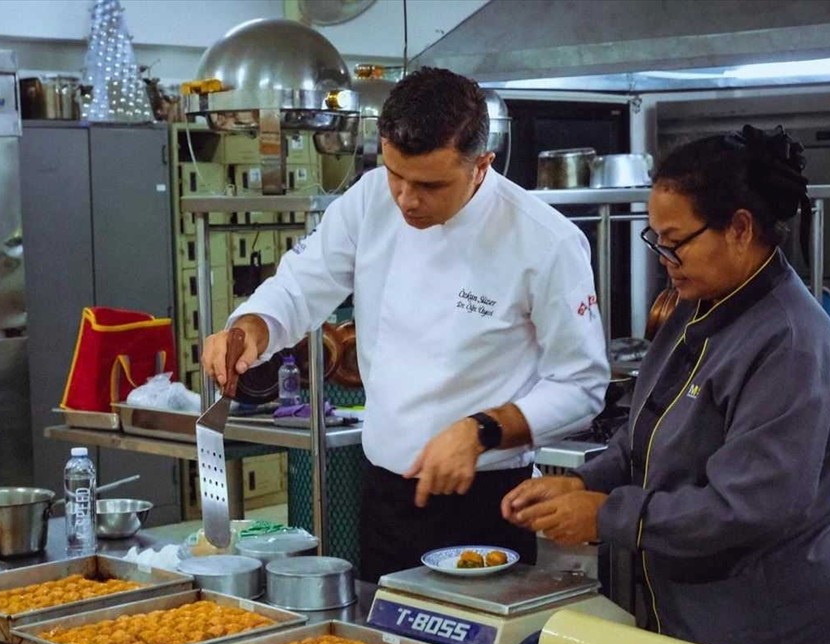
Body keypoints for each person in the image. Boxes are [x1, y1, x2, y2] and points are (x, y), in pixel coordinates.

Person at [502, 125, 830, 644]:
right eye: (656, 240)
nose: (663, 258)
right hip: (694, 636)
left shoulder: (789, 342)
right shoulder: (696, 307)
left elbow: (747, 508)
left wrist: (607, 516)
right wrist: (577, 486)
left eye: (675, 242)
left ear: (738, 227)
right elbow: (641, 440)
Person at [202, 67, 610, 581]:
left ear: (481, 165)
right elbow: (301, 284)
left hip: (486, 504)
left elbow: (582, 385)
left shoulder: (544, 241)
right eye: (396, 174)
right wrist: (255, 326)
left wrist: (481, 431)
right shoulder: (372, 200)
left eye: (430, 184)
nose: (406, 199)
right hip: (386, 498)